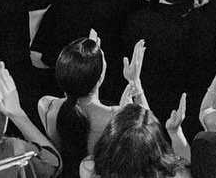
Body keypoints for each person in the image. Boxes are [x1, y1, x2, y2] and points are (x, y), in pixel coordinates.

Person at [122, 0, 216, 139]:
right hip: (192, 124)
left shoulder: (138, 22)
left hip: (147, 123)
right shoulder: (206, 22)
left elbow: (142, 15)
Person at [38, 36, 148, 178]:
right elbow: (150, 133)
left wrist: (80, 63)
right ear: (101, 76)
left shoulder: (47, 106)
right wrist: (136, 83)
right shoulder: (116, 117)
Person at [80, 103, 190, 178]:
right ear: (156, 146)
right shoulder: (177, 175)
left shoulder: (88, 169)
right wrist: (175, 132)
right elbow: (186, 164)